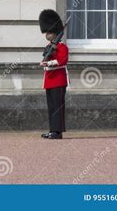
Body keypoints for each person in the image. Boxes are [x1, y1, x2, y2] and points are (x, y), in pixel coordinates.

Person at [38, 9, 69, 140]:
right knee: (51, 107)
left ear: (55, 32)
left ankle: (58, 132)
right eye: (46, 33)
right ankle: (52, 130)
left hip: (59, 80)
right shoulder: (49, 47)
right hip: (50, 81)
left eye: (49, 32)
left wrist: (49, 62)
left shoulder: (62, 47)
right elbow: (46, 57)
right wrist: (46, 59)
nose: (47, 35)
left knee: (58, 106)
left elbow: (62, 61)